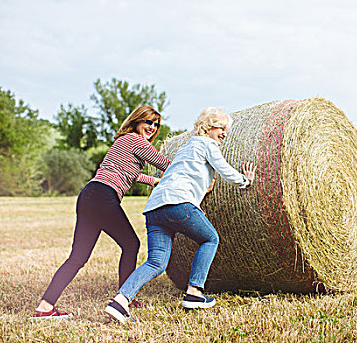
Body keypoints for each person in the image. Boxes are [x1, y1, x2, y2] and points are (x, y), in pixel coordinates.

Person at [105, 107, 256, 323]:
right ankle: (194, 292)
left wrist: (203, 190)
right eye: (220, 128)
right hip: (178, 204)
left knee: (156, 262)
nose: (224, 133)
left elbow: (184, 176)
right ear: (207, 127)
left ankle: (120, 300)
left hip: (155, 208)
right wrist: (245, 180)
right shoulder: (207, 144)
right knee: (210, 238)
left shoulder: (185, 149)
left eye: (226, 129)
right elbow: (223, 169)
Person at [33, 106, 172, 319]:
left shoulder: (122, 141)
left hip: (89, 194)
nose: (152, 127)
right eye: (148, 122)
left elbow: (128, 174)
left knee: (78, 257)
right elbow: (165, 164)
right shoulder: (137, 140)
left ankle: (45, 307)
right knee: (131, 244)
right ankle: (125, 297)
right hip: (103, 196)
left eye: (156, 124)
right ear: (137, 121)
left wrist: (152, 181)